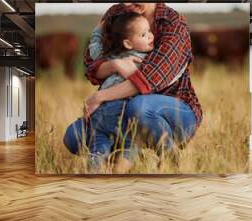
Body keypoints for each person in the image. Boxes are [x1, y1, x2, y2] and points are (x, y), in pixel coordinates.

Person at [64, 3, 203, 173]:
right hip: (118, 112)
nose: (127, 4)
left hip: (172, 111)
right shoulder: (117, 12)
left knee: (139, 107)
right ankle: (113, 166)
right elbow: (91, 64)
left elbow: (150, 80)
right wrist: (115, 64)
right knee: (73, 136)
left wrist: (99, 97)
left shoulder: (173, 23)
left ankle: (169, 157)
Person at [64, 12, 155, 171]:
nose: (150, 36)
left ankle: (96, 173)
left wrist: (98, 30)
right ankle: (117, 173)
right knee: (131, 145)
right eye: (143, 34)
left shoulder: (110, 57)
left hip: (98, 114)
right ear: (127, 43)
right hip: (122, 113)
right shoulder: (147, 59)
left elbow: (94, 49)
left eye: (149, 31)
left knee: (97, 149)